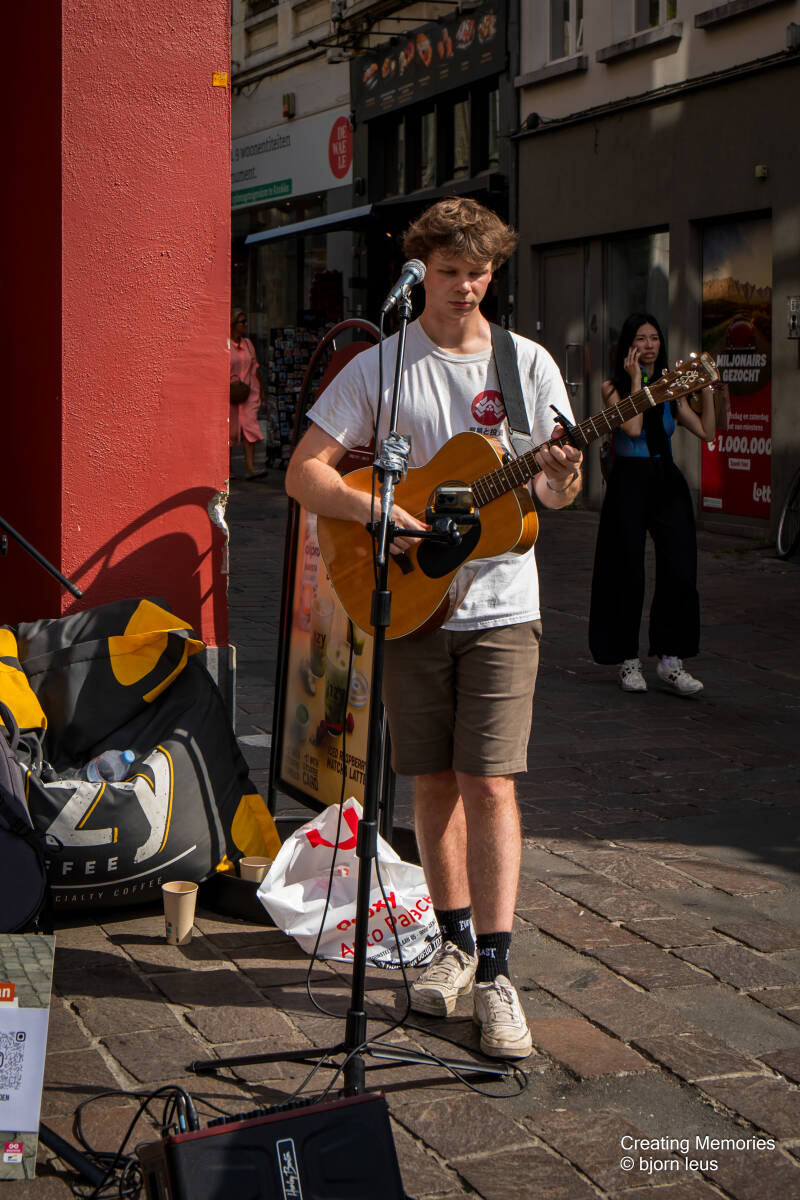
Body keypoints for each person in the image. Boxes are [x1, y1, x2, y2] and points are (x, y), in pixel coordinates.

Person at [285, 198, 583, 1059]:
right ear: (421, 274)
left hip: (503, 607)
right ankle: (451, 946)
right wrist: (374, 509)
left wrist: (562, 475)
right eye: (448, 273)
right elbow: (305, 472)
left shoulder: (527, 365)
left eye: (478, 274)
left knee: (490, 781)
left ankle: (497, 971)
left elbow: (553, 495)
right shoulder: (383, 364)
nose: (464, 288)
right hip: (413, 600)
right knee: (433, 779)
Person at [588, 311, 716, 695]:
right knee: (626, 570)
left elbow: (707, 431)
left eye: (654, 338)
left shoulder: (671, 386)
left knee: (680, 567)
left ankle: (671, 659)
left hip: (666, 478)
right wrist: (635, 381)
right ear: (629, 345)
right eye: (641, 338)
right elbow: (632, 428)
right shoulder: (612, 387)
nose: (649, 345)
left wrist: (707, 390)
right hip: (629, 480)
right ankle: (626, 659)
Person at [230, 307, 266, 480]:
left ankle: (250, 467)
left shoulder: (248, 344)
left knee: (249, 426)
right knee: (229, 429)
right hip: (230, 393)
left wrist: (262, 391)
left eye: (246, 321)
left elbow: (255, 368)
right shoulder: (225, 345)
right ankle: (226, 469)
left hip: (250, 392)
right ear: (232, 324)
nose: (245, 325)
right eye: (242, 322)